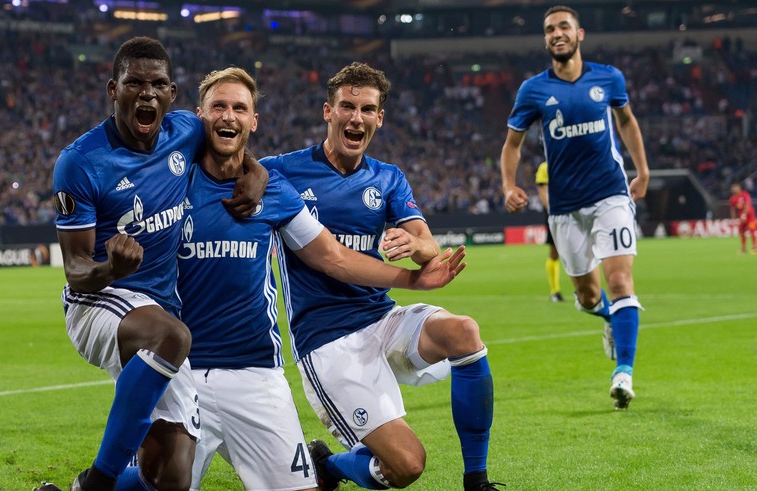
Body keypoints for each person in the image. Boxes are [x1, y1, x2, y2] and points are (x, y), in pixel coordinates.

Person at [179, 67, 465, 491]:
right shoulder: (183, 181)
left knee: (464, 334)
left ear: (254, 121)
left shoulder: (281, 185)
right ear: (328, 111)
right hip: (204, 363)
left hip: (267, 365)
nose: (230, 116)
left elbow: (335, 256)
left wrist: (417, 267)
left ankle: (469, 476)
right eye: (219, 106)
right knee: (157, 479)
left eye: (240, 108)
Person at [37, 37, 267, 491]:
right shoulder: (81, 162)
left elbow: (233, 146)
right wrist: (110, 270)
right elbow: (76, 270)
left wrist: (255, 173)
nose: (146, 94)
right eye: (134, 83)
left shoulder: (185, 130)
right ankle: (100, 482)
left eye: (157, 84)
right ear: (113, 89)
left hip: (159, 310)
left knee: (171, 476)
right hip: (97, 302)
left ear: (173, 93)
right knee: (173, 336)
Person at [261, 62, 500, 491]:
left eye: (367, 109)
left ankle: (477, 480)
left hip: (382, 319)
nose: (357, 117)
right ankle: (330, 465)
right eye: (347, 107)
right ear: (327, 112)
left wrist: (418, 247)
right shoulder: (282, 172)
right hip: (327, 339)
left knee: (464, 331)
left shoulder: (388, 178)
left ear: (379, 118)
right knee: (406, 467)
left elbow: (426, 241)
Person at [500, 5, 650, 410]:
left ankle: (623, 373)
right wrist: (509, 184)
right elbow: (512, 144)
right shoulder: (533, 90)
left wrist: (642, 170)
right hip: (565, 208)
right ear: (546, 39)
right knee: (586, 295)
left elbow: (627, 121)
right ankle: (607, 318)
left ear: (579, 33)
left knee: (620, 283)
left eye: (563, 26)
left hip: (610, 195)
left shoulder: (608, 77)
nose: (556, 34)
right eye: (549, 29)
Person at [535, 162, 564, 302]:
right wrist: (553, 211)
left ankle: (585, 289)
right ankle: (555, 291)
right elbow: (542, 191)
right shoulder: (545, 167)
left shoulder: (569, 161)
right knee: (554, 252)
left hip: (574, 210)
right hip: (555, 214)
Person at [729, 182, 757, 254]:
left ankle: (755, 247)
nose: (734, 190)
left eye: (736, 188)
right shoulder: (732, 198)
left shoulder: (745, 195)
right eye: (733, 189)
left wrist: (744, 214)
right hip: (741, 217)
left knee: (752, 230)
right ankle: (743, 248)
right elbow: (732, 209)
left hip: (750, 216)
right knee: (741, 232)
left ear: (739, 189)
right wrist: (733, 219)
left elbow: (748, 205)